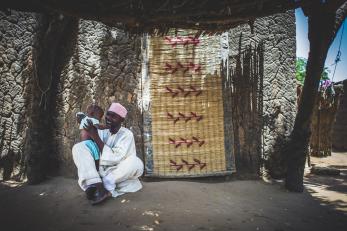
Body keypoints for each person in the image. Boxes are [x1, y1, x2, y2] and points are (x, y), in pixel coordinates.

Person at [72, 102, 144, 205]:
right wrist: (85, 124)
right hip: (99, 171)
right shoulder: (101, 129)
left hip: (118, 172)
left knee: (136, 163)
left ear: (122, 120)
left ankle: (102, 185)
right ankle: (95, 185)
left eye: (113, 116)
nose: (108, 118)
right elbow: (88, 146)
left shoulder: (127, 134)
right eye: (108, 114)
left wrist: (95, 135)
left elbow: (115, 157)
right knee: (78, 147)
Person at [76, 105, 108, 170]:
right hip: (89, 142)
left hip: (83, 142)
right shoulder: (93, 119)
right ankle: (97, 168)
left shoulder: (84, 119)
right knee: (97, 155)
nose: (100, 119)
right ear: (92, 114)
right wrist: (107, 126)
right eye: (100, 117)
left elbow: (78, 115)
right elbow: (99, 127)